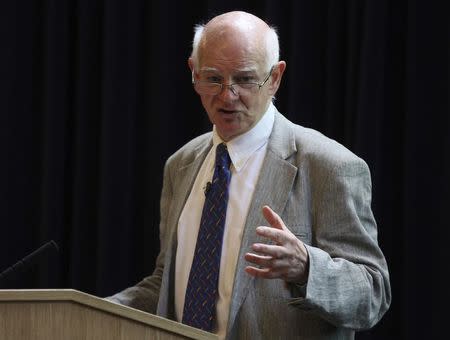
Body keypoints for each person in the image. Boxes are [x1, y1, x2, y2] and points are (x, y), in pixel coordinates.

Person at [108, 10, 391, 339]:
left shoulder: (329, 166)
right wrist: (84, 309)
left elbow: (373, 293)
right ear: (193, 73)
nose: (227, 96)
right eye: (213, 78)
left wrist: (307, 268)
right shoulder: (181, 164)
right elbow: (168, 285)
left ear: (275, 78)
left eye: (244, 79)